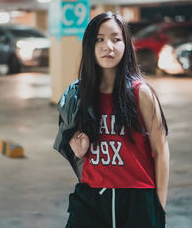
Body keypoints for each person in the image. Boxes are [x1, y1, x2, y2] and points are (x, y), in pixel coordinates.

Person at [56, 12, 169, 228]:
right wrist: (78, 145)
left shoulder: (141, 93)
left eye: (116, 39)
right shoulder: (79, 94)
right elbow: (75, 148)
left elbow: (161, 151)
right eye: (99, 39)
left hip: (135, 197)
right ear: (90, 45)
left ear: (126, 45)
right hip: (91, 196)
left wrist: (159, 205)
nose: (108, 46)